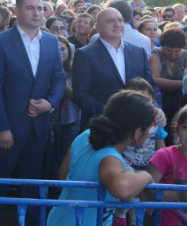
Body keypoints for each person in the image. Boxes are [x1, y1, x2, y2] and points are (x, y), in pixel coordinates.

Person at [0, 0, 65, 226]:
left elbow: (59, 79)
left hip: (38, 128)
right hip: (7, 130)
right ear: (17, 11)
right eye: (30, 8)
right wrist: (2, 127)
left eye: (40, 8)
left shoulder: (51, 41)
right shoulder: (0, 41)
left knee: (31, 184)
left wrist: (50, 103)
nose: (36, 13)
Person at [47, 91, 155, 226]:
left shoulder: (86, 135)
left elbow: (63, 173)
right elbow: (122, 189)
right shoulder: (110, 157)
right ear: (138, 132)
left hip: (58, 219)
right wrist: (146, 176)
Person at [73, 8, 163, 127]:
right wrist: (113, 114)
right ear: (98, 27)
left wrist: (156, 108)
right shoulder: (84, 54)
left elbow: (151, 85)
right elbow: (81, 95)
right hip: (102, 126)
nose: (117, 25)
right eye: (110, 21)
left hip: (137, 125)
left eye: (120, 20)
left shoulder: (138, 52)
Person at [147, 104, 187, 225]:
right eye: (185, 127)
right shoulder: (164, 156)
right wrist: (178, 194)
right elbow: (146, 193)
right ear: (177, 129)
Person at [46, 36, 80, 182]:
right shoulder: (45, 69)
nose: (60, 53)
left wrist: (61, 82)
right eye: (56, 50)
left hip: (71, 120)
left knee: (66, 159)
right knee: (49, 159)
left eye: (63, 49)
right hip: (49, 121)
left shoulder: (76, 70)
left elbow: (76, 97)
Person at [150, 28, 187, 143]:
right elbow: (155, 80)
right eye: (168, 50)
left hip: (182, 102)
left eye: (177, 51)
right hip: (161, 100)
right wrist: (184, 84)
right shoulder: (155, 53)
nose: (173, 54)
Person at [122, 78, 166, 172]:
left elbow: (161, 148)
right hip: (126, 165)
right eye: (140, 99)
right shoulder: (123, 121)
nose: (144, 103)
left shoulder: (157, 122)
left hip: (150, 166)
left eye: (148, 99)